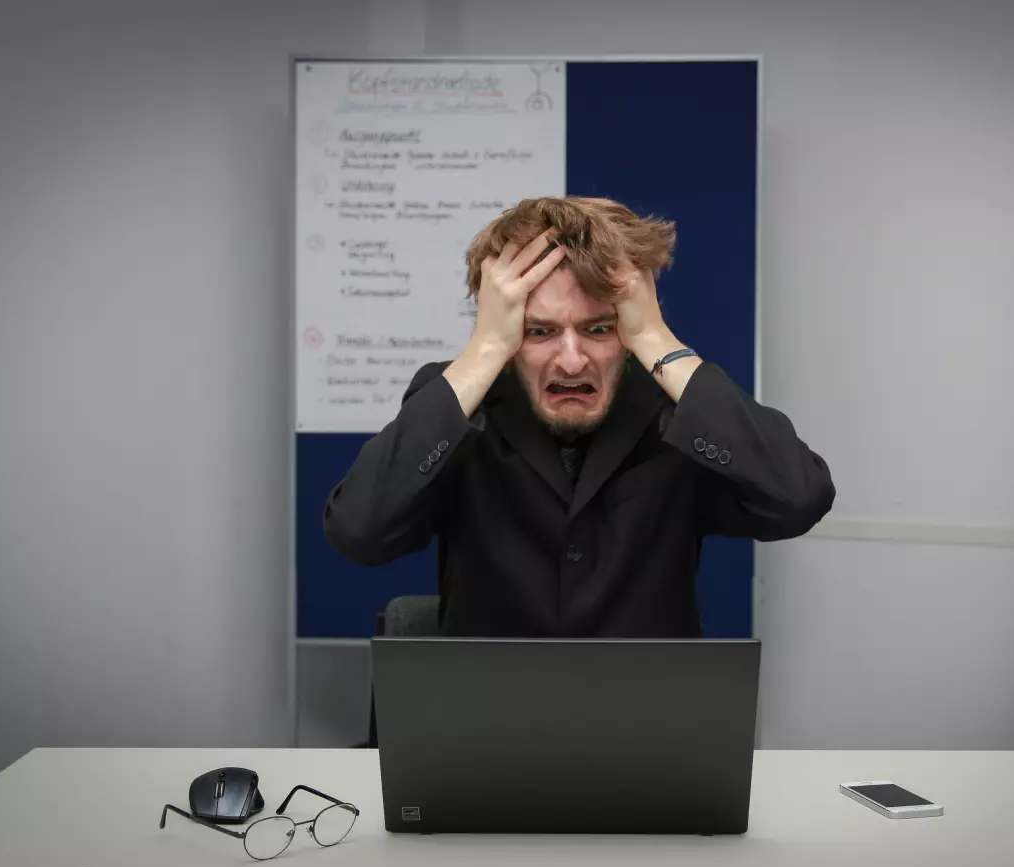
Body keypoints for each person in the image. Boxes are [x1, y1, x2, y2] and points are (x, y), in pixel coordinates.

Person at [324, 196, 835, 637]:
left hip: (650, 728)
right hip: (487, 728)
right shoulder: (460, 403)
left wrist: (657, 341)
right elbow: (360, 531)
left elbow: (797, 498)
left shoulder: (673, 407)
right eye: (539, 331)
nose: (571, 361)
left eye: (598, 329)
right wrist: (484, 350)